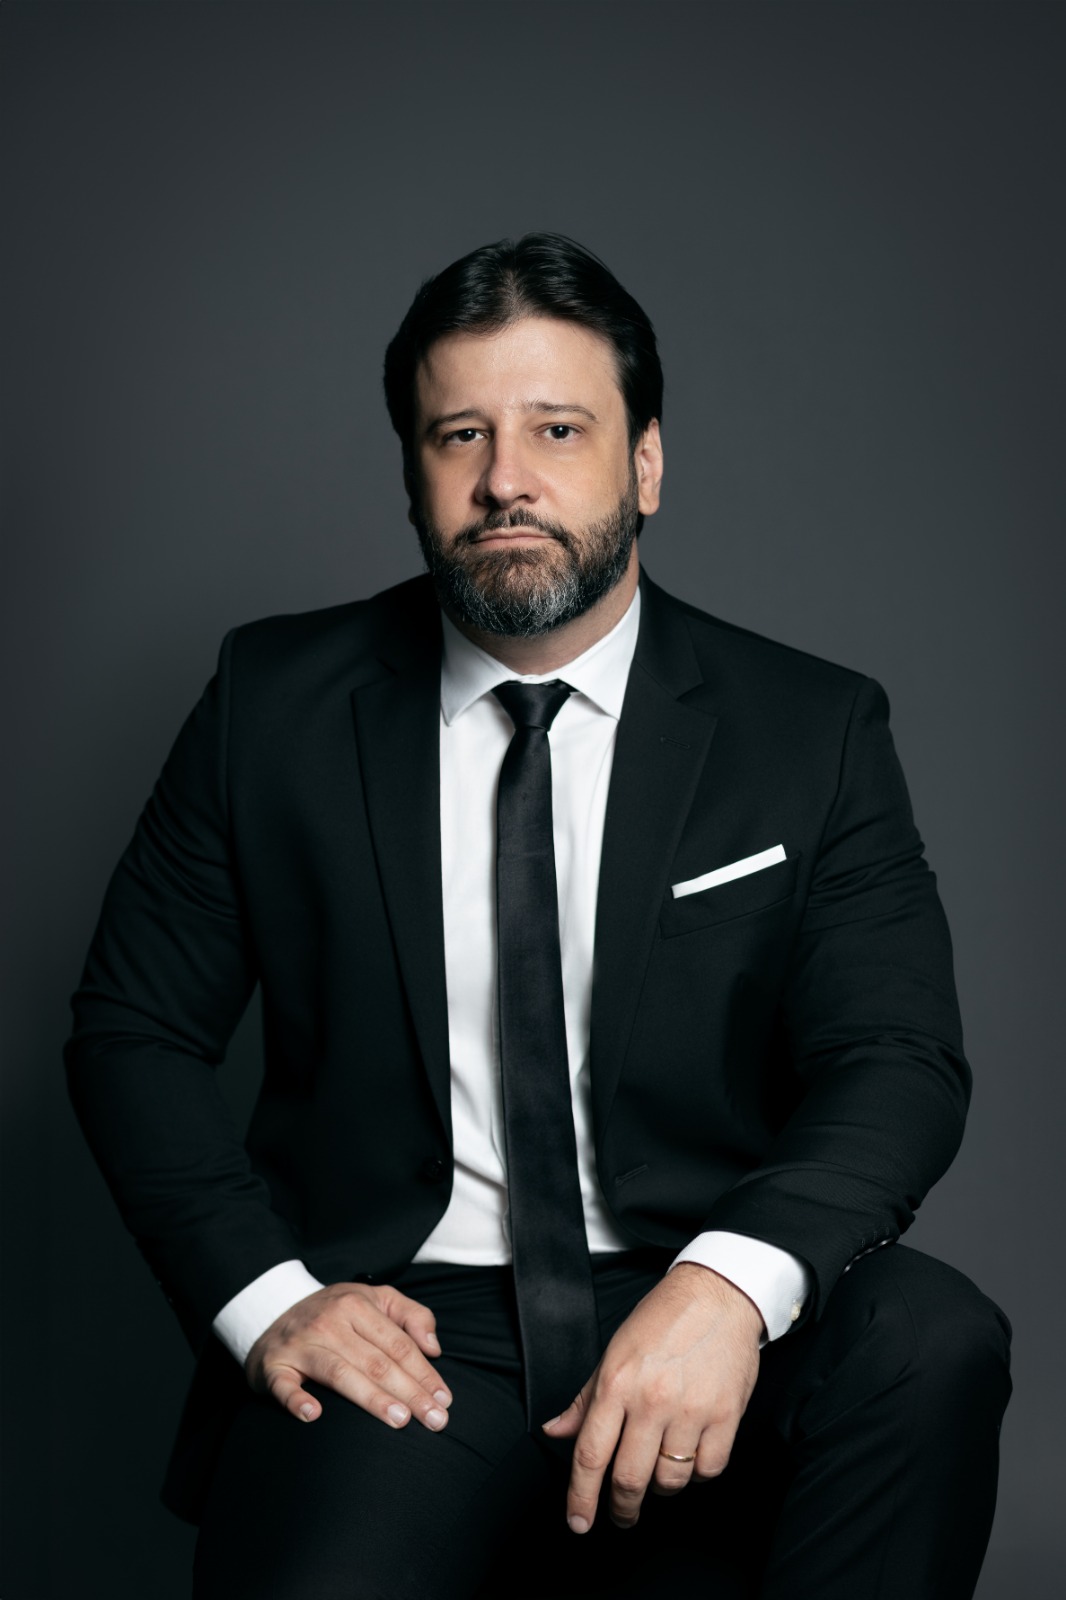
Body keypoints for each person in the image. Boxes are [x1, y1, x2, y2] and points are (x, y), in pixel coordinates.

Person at [66, 233, 1011, 1600]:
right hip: (407, 1323)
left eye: (557, 429)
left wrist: (728, 1288)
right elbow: (133, 1035)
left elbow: (896, 1059)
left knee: (929, 1341)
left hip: (694, 1271)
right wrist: (270, 1302)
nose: (505, 477)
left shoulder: (809, 729)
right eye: (461, 434)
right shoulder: (270, 706)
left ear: (646, 463)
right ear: (413, 473)